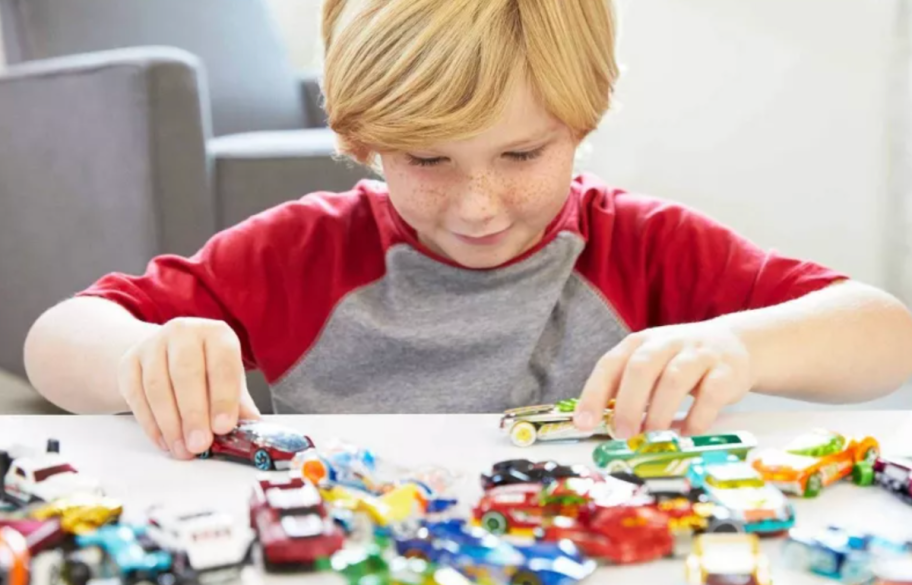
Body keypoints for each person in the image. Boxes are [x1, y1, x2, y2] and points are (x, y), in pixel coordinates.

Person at [22, 0, 912, 461]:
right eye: (427, 161)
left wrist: (741, 347)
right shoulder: (301, 252)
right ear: (363, 142)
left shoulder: (645, 244)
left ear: (583, 121)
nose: (478, 206)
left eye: (522, 153)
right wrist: (139, 356)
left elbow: (884, 334)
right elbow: (54, 342)